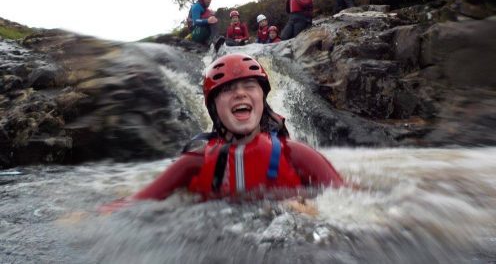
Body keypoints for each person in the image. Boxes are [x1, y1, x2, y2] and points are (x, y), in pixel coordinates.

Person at [101, 54, 343, 209]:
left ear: (262, 98)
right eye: (227, 89)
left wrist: (313, 211)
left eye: (250, 86)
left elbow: (357, 206)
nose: (240, 93)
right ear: (214, 108)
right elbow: (135, 204)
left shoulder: (297, 155)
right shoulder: (193, 163)